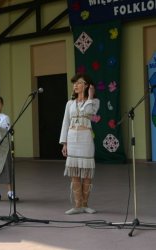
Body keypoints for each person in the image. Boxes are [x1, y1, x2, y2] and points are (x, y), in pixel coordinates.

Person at [59, 73, 100, 215]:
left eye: (79, 83)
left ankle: (85, 204)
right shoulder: (69, 103)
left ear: (87, 85)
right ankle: (77, 205)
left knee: (87, 173)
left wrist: (89, 96)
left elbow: (88, 112)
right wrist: (64, 143)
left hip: (86, 139)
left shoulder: (94, 102)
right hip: (72, 139)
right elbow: (65, 122)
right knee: (74, 173)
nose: (75, 85)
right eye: (74, 83)